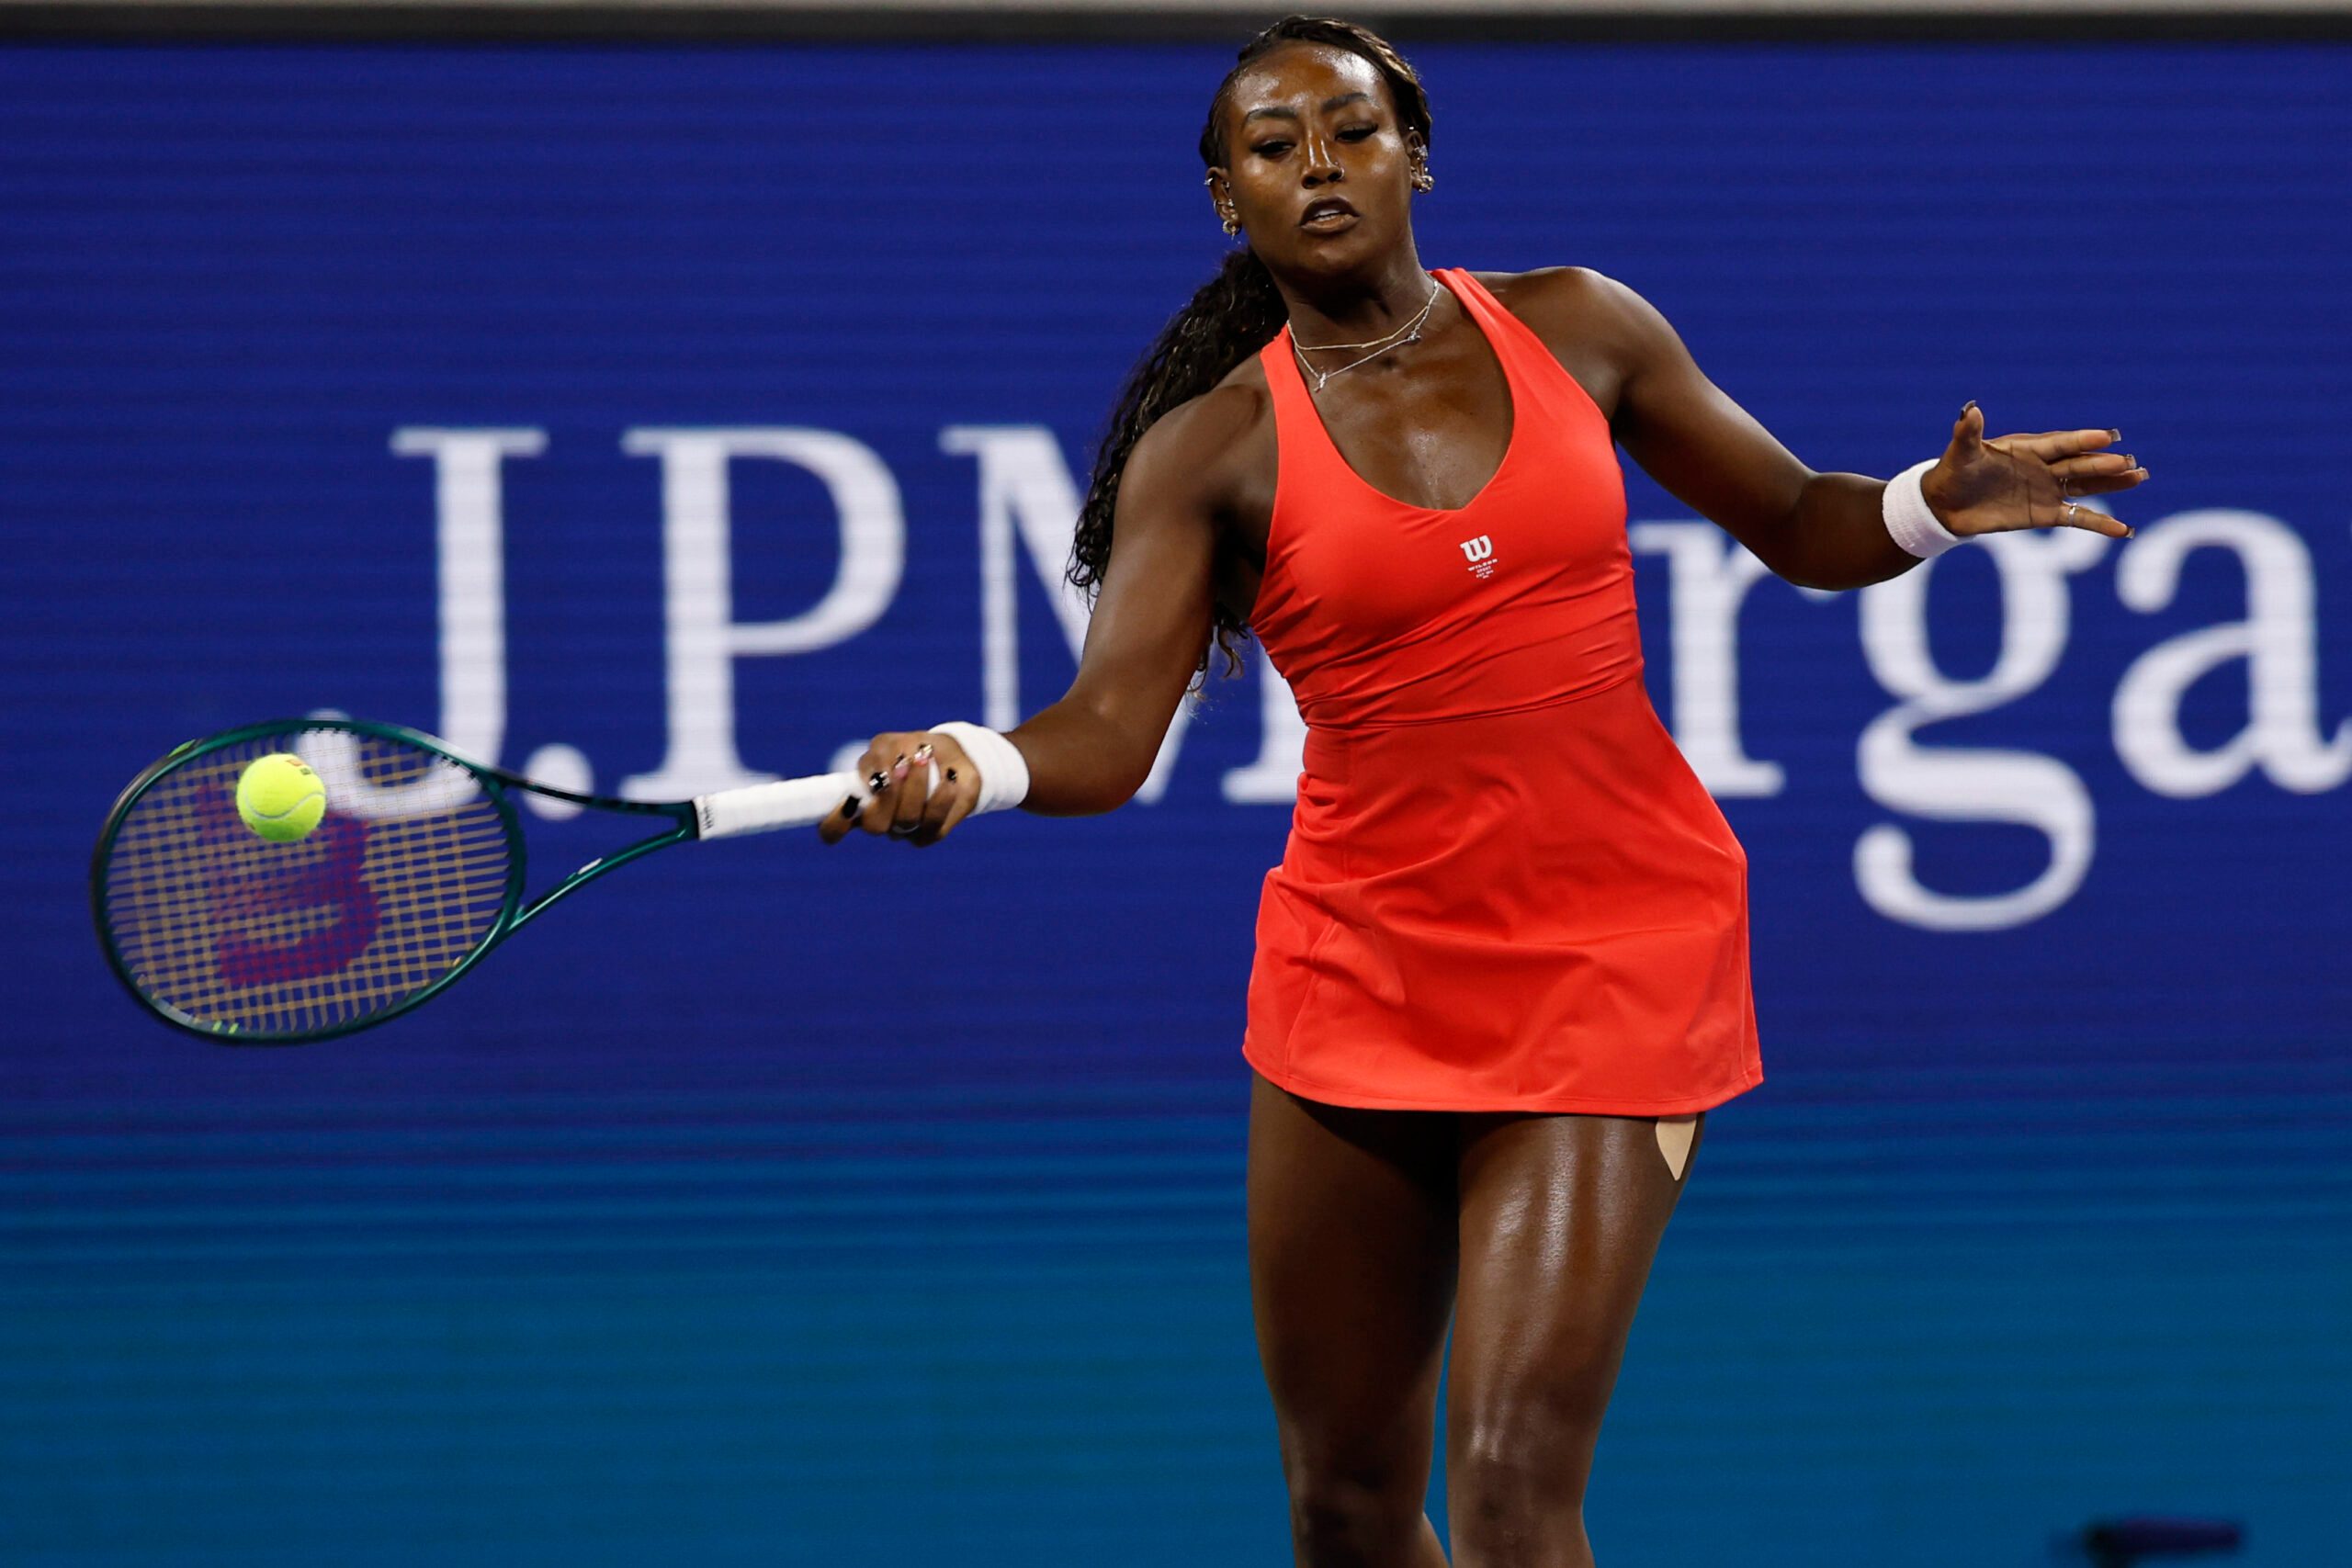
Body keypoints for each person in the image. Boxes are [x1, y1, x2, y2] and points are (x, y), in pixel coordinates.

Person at [819, 16, 2146, 1565]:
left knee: (1514, 1487)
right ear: (1224, 199)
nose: (1317, 163)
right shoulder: (1210, 451)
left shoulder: (1580, 324)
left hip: (1617, 955)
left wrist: (1928, 503)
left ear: (1416, 157)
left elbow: (1796, 518)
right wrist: (970, 765)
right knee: (1348, 1505)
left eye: (1352, 130)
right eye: (1271, 145)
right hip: (1360, 970)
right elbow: (1110, 732)